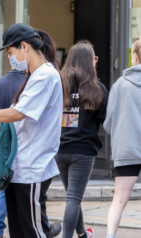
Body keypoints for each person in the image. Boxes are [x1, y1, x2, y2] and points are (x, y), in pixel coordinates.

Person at [0, 23, 65, 238]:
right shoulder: (36, 75)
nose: (10, 57)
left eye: (10, 52)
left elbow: (18, 113)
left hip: (32, 167)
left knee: (33, 232)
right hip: (20, 168)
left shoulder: (45, 75)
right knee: (19, 232)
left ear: (24, 47)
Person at [0, 61, 62, 238]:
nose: (10, 56)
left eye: (10, 52)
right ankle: (44, 226)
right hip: (24, 158)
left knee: (0, 190)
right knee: (31, 223)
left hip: (10, 153)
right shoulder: (30, 82)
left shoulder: (1, 84)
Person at [55, 41, 109, 238]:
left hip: (60, 149)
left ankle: (82, 234)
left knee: (72, 196)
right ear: (89, 62)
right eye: (94, 59)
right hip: (83, 151)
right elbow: (106, 121)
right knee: (74, 198)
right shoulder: (98, 89)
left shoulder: (59, 87)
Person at [104, 39, 141, 238]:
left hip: (127, 148)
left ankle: (110, 236)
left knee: (119, 199)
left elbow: (109, 122)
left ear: (134, 57)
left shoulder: (120, 85)